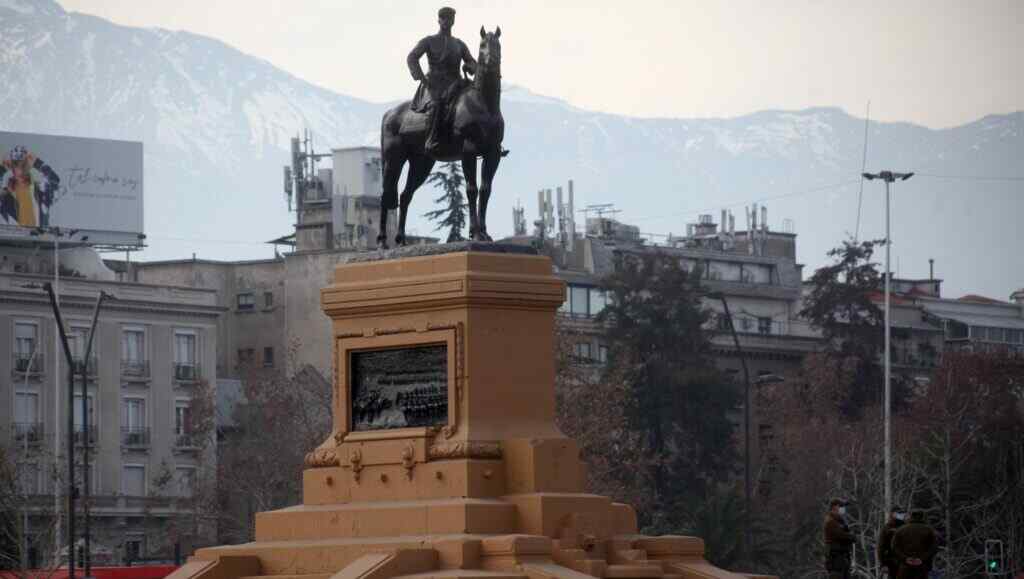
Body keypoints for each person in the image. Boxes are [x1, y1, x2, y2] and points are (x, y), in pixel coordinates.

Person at [406, 6, 477, 157]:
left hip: (455, 83)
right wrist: (420, 77)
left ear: (453, 21)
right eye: (444, 18)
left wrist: (470, 65)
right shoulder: (429, 41)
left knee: (476, 98)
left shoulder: (459, 44)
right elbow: (412, 57)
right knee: (437, 104)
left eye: (450, 18)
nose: (447, 21)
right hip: (433, 84)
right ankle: (431, 140)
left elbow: (472, 61)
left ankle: (488, 139)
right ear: (439, 20)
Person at [891, 510, 937, 579]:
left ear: (911, 517)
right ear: (922, 517)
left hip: (905, 568)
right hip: (922, 568)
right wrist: (922, 559)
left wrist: (905, 558)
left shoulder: (900, 530)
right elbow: (934, 547)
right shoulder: (929, 530)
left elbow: (894, 547)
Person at [824, 498, 855, 579]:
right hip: (835, 558)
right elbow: (840, 534)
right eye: (841, 506)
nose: (843, 509)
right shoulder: (830, 521)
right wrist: (851, 537)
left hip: (842, 557)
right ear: (835, 507)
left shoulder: (839, 521)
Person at [878, 506, 906, 577]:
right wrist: (883, 564)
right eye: (899, 513)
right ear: (893, 514)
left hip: (905, 561)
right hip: (891, 561)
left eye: (902, 513)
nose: (902, 515)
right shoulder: (887, 528)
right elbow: (881, 547)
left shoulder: (906, 527)